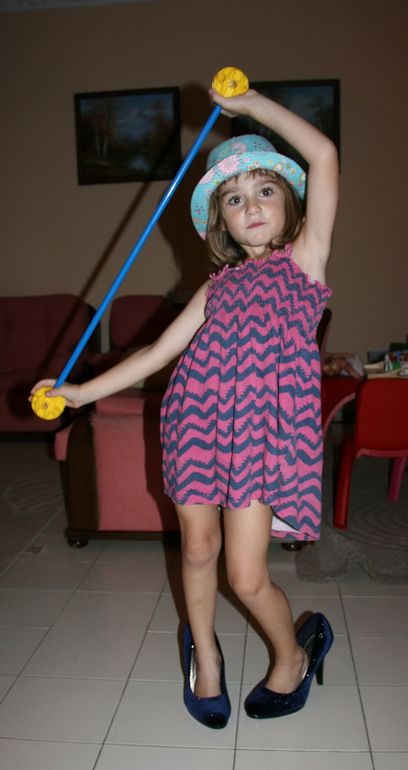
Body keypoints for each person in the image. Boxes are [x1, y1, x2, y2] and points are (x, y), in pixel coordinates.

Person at [31, 86, 338, 729]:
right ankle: (205, 656)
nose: (251, 206)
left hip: (258, 441)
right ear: (219, 221)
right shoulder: (216, 288)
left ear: (292, 202)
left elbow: (323, 154)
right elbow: (155, 353)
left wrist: (251, 104)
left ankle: (294, 656)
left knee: (246, 576)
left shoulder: (305, 265)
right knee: (197, 551)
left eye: (265, 190)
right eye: (234, 199)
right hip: (195, 427)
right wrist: (81, 393)